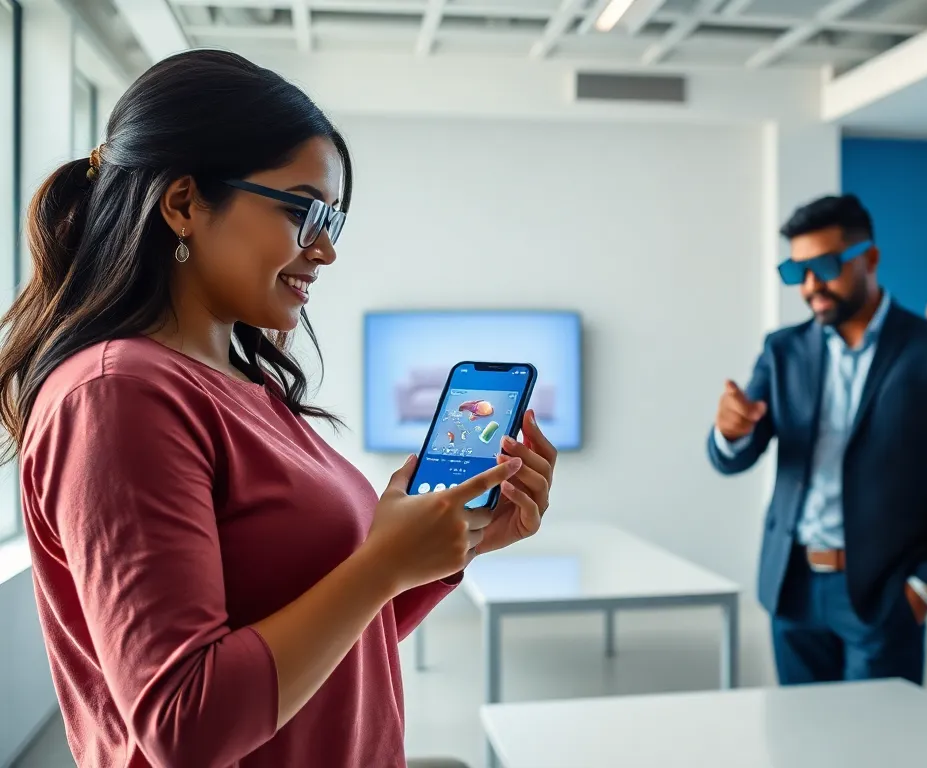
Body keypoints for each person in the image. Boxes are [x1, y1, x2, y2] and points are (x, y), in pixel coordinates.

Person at [2, 50, 557, 768]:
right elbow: (184, 724)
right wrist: (382, 565)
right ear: (184, 204)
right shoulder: (118, 394)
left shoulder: (245, 385)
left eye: (334, 220)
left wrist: (454, 547)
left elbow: (335, 648)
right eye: (304, 212)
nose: (325, 250)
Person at [708, 194, 927, 686]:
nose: (811, 285)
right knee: (802, 744)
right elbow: (735, 456)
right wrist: (730, 432)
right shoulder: (783, 350)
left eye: (825, 266)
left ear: (870, 258)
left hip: (886, 592)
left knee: (879, 750)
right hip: (791, 587)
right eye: (797, 272)